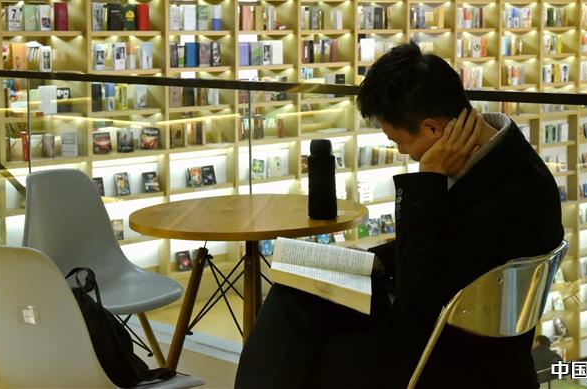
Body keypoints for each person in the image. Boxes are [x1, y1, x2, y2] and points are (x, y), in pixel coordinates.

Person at [235, 43, 564, 388]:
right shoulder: (500, 157)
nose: (403, 152)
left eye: (400, 142)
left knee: (297, 331)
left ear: (433, 129)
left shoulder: (516, 193)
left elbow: (419, 300)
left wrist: (428, 179)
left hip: (451, 356)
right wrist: (362, 263)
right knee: (293, 295)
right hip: (438, 327)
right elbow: (441, 253)